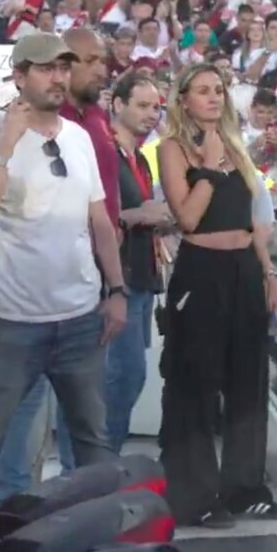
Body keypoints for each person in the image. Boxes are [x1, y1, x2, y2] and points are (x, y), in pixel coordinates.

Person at [0, 33, 127, 534]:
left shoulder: (80, 136)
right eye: (46, 69)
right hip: (7, 322)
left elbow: (100, 223)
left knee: (91, 441)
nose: (59, 78)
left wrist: (117, 291)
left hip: (80, 318)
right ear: (18, 76)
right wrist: (5, 144)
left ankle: (93, 547)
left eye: (63, 69)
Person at [156, 62, 277, 528]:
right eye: (203, 90)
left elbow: (255, 220)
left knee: (248, 382)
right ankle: (195, 497)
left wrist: (269, 274)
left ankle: (245, 488)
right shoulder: (172, 149)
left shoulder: (238, 148)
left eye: (219, 89)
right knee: (194, 385)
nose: (214, 98)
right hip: (201, 273)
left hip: (244, 270)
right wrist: (210, 167)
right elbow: (188, 218)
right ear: (184, 100)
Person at [104, 72, 170, 453]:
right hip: (119, 281)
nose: (151, 114)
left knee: (131, 377)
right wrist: (139, 215)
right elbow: (95, 214)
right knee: (122, 376)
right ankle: (97, 465)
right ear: (118, 103)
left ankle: (104, 463)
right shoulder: (106, 155)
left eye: (156, 108)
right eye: (142, 105)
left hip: (143, 278)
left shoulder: (142, 160)